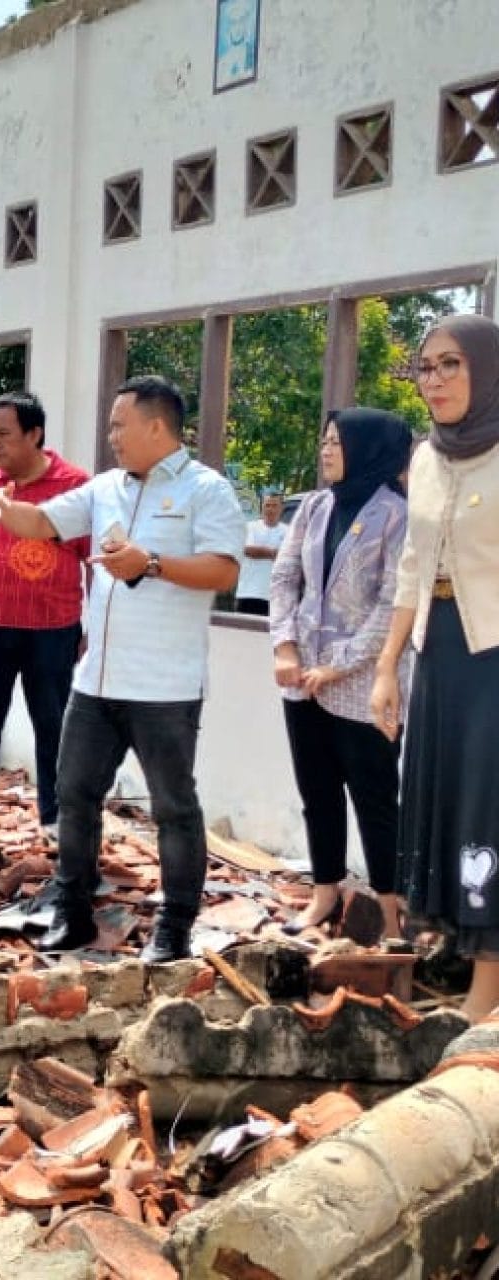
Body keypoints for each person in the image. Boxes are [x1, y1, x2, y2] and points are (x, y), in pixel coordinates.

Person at [0, 375, 244, 962]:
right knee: (74, 794)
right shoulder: (105, 489)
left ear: (157, 426)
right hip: (97, 682)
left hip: (165, 687)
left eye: (119, 425)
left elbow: (224, 571)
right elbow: (44, 523)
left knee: (174, 807)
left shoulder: (207, 490)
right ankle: (72, 912)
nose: (111, 436)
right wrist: (4, 504)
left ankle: (174, 926)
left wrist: (149, 562)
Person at [372, 313, 499, 1023]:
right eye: (426, 367)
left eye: (452, 364)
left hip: (496, 659)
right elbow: (413, 568)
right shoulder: (426, 458)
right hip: (440, 654)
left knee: (490, 811)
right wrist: (389, 667)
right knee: (450, 809)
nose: (437, 380)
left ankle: (487, 996)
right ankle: (462, 959)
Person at [270, 409, 412, 942]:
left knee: (375, 797)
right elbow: (285, 577)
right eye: (324, 440)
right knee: (318, 791)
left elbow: (396, 598)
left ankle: (392, 909)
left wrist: (341, 664)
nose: (326, 450)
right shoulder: (312, 506)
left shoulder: (398, 516)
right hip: (302, 675)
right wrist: (285, 645)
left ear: (368, 448)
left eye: (337, 442)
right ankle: (324, 892)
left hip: (365, 684)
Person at [0, 392, 90, 842]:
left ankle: (55, 814)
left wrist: (89, 629)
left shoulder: (76, 485)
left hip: (51, 626)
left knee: (54, 723)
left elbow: (92, 561)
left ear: (34, 434)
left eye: (4, 435)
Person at [236, 492, 286, 615]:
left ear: (281, 509)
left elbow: (288, 557)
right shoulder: (250, 527)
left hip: (276, 597)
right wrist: (275, 553)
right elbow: (248, 550)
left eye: (274, 506)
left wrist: (264, 552)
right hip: (249, 593)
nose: (271, 509)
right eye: (267, 505)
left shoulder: (288, 531)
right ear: (261, 507)